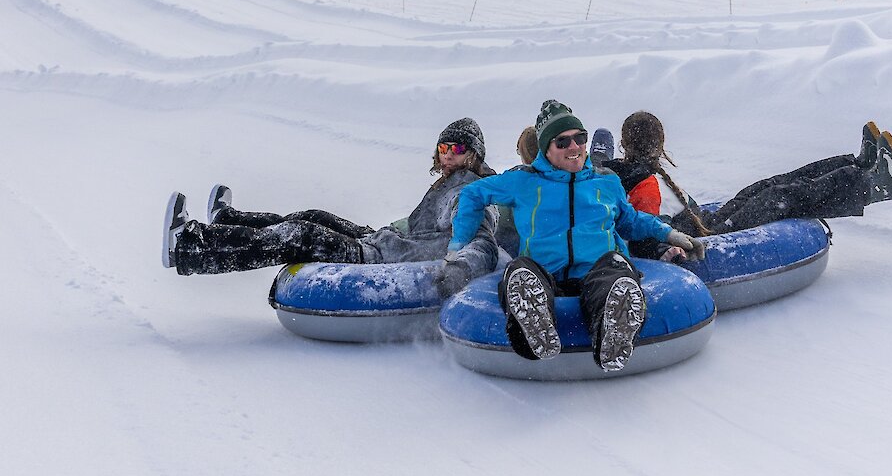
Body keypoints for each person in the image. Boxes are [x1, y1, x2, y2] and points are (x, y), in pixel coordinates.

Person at [445, 100, 702, 373]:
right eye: (562, 142)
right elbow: (473, 194)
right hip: (545, 271)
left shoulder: (605, 180)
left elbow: (630, 221)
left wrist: (670, 233)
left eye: (580, 138)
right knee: (520, 271)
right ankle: (534, 327)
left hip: (597, 269)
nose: (574, 147)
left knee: (614, 268)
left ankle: (613, 331)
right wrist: (458, 243)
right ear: (546, 148)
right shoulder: (523, 181)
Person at [162, 118, 498, 297]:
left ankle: (191, 248)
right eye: (444, 146)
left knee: (301, 235)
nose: (449, 153)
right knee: (314, 217)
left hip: (382, 260)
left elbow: (481, 239)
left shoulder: (471, 192)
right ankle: (226, 222)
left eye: (458, 147)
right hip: (381, 241)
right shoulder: (451, 182)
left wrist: (461, 268)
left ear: (475, 154)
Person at [599, 112, 892, 237]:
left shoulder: (634, 171)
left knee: (764, 187)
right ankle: (876, 184)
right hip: (703, 237)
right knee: (779, 196)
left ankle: (858, 164)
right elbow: (641, 231)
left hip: (703, 223)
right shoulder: (634, 181)